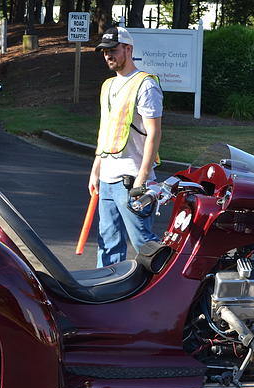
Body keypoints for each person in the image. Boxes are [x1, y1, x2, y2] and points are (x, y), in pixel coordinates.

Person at [89, 26, 163, 268]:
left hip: (132, 181)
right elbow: (106, 131)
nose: (108, 55)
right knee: (108, 242)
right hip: (108, 180)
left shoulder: (145, 85)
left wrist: (142, 178)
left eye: (113, 50)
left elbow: (154, 133)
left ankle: (160, 295)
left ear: (128, 49)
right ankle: (107, 291)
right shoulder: (107, 86)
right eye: (104, 51)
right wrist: (96, 170)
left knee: (144, 243)